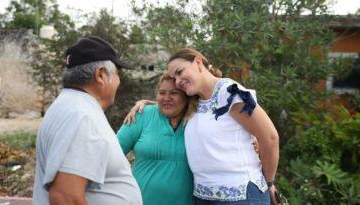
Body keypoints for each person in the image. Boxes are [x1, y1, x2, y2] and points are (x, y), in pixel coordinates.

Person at [126, 49, 280, 204]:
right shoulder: (196, 101)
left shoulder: (229, 92)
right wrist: (145, 104)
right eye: (174, 77)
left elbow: (270, 137)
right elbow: (173, 104)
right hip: (203, 198)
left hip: (240, 197)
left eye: (179, 72)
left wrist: (269, 183)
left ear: (198, 62)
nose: (178, 81)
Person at [33, 36, 142, 205]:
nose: (118, 81)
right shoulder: (81, 116)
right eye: (117, 74)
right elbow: (65, 198)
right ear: (100, 75)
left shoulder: (69, 105)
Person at [117, 73, 194, 205]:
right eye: (162, 93)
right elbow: (111, 155)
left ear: (187, 96)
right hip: (140, 201)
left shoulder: (197, 120)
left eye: (174, 93)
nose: (166, 98)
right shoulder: (141, 115)